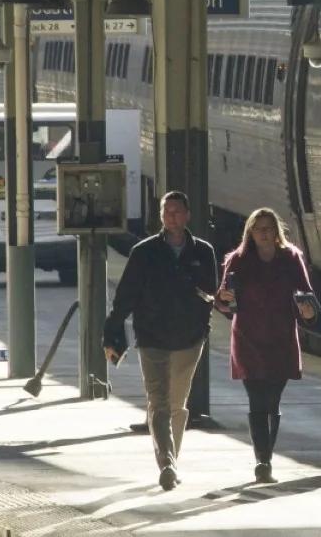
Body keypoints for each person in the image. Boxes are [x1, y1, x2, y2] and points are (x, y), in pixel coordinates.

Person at [104, 191, 217, 491]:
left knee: (177, 405)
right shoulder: (144, 252)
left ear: (188, 215)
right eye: (167, 210)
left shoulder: (203, 252)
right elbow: (125, 296)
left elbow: (213, 294)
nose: (172, 216)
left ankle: (171, 460)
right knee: (158, 403)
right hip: (152, 337)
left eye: (178, 210)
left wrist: (204, 318)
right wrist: (111, 330)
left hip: (188, 340)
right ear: (161, 216)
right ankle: (166, 464)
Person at [216, 207, 318, 483]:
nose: (263, 233)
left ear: (277, 232)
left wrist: (307, 312)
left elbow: (305, 296)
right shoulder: (238, 260)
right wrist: (225, 298)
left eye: (269, 228)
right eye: (258, 228)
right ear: (250, 232)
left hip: (281, 339)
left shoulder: (291, 258)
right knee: (257, 401)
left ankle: (265, 456)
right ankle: (263, 460)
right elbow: (226, 304)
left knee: (272, 401)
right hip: (248, 339)